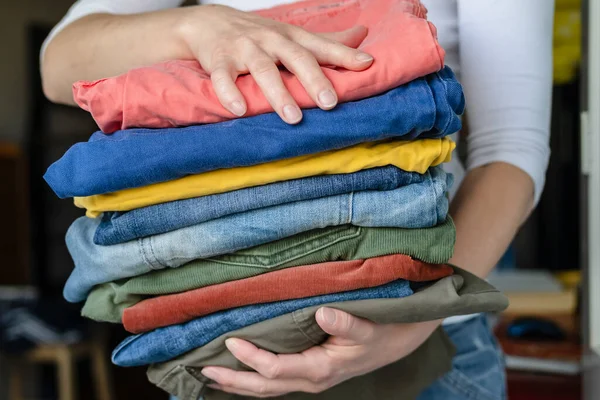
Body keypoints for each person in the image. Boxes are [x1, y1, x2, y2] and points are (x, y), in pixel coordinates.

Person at [40, 1, 555, 399]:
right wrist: (197, 27)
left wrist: (414, 322)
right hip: (230, 351)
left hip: (426, 345)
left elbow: (510, 149)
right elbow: (59, 60)